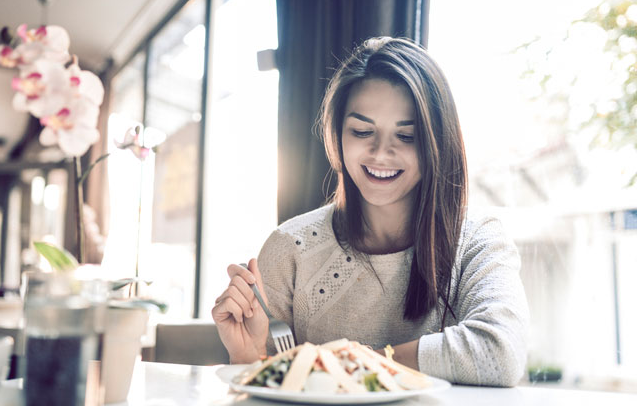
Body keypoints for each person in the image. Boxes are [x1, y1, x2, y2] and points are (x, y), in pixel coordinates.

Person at [211, 37, 529, 387]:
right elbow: (267, 388)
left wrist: (350, 365)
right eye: (362, 131)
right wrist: (248, 358)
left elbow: (500, 353)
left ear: (437, 142)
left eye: (406, 137)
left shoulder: (478, 240)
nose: (380, 153)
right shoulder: (291, 248)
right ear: (337, 135)